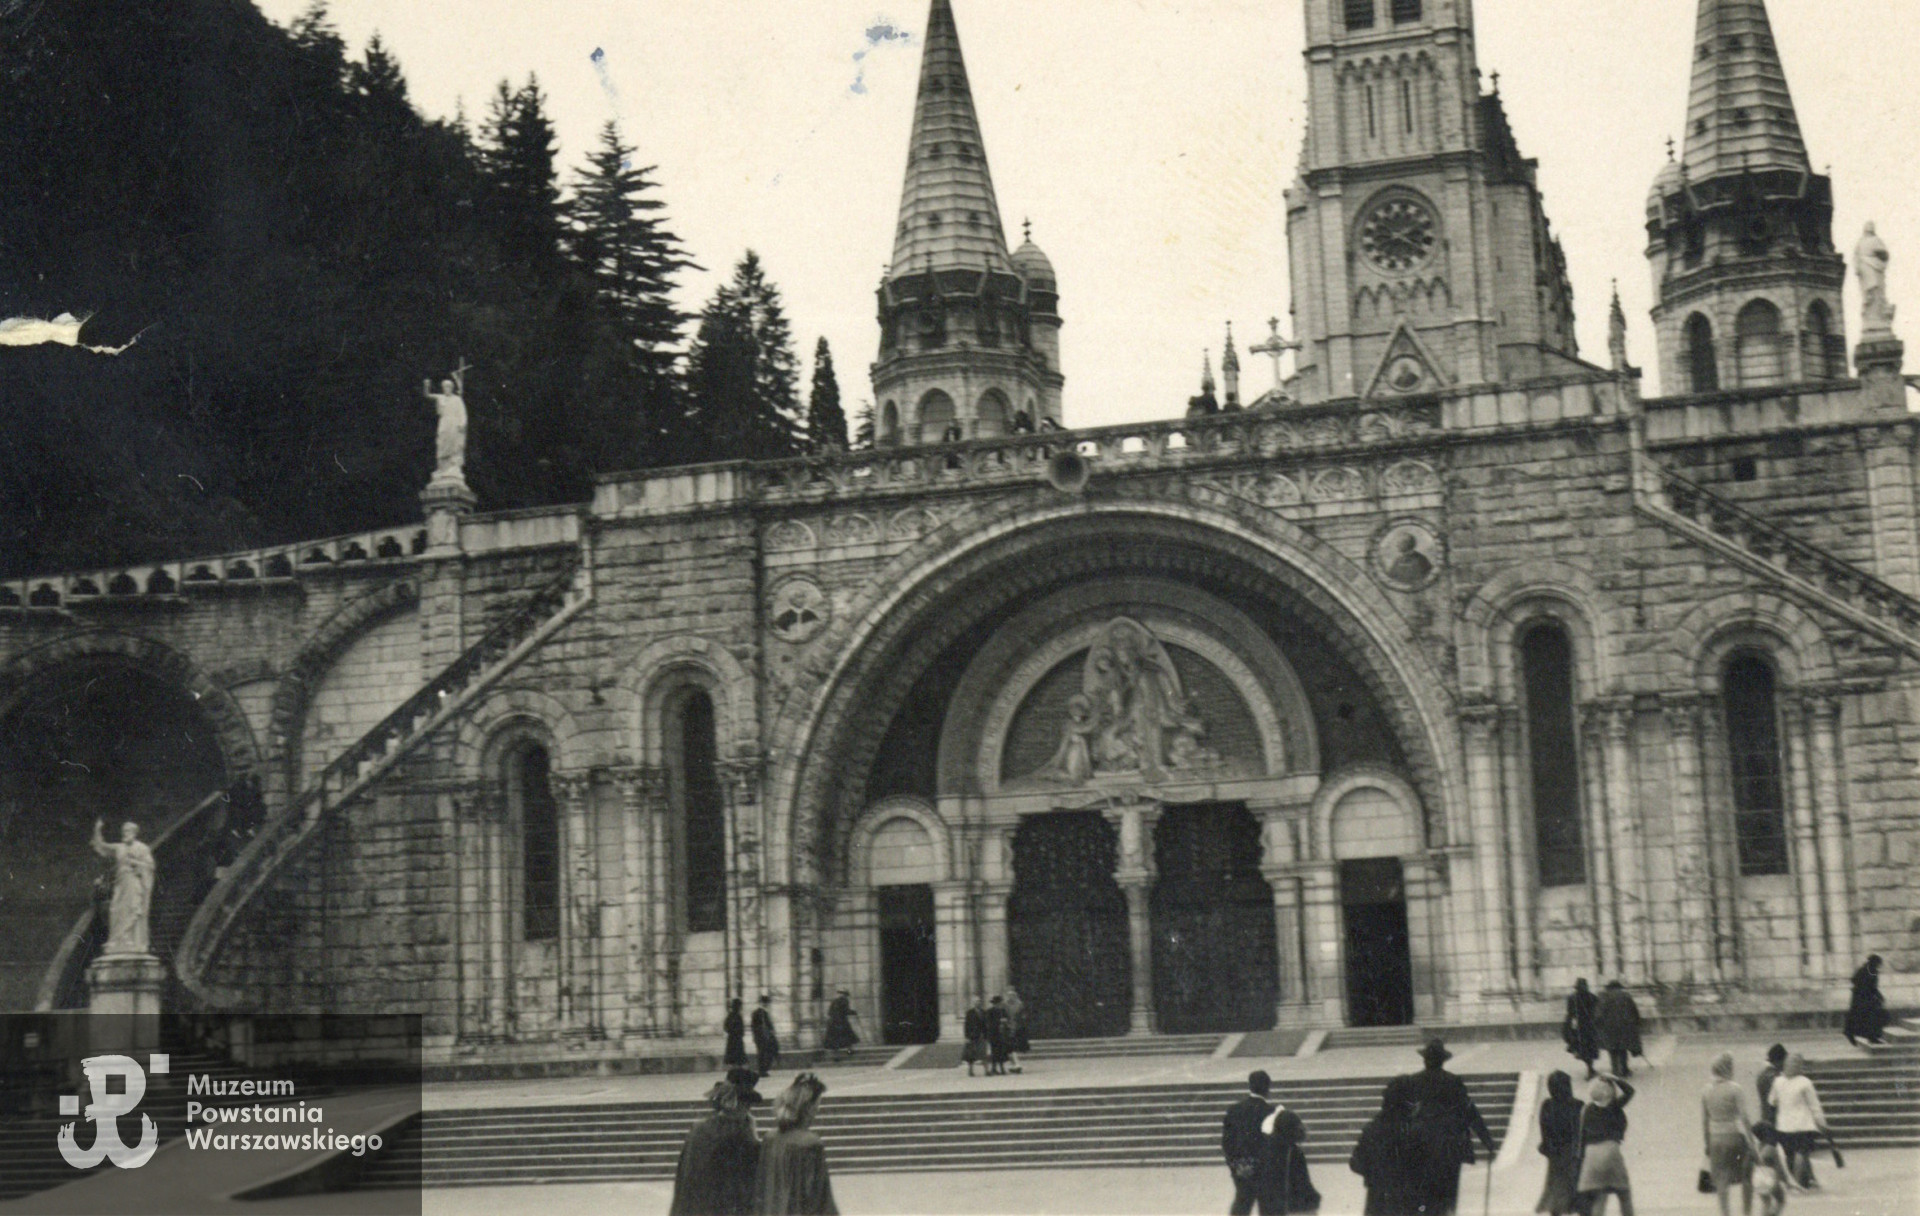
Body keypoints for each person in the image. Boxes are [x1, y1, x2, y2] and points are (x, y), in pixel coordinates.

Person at [1400, 1039, 1496, 1215]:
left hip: (1420, 1146)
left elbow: (1401, 1115)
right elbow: (1470, 1112)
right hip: (1449, 1147)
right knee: (1447, 1196)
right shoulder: (1453, 1081)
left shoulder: (1413, 1081)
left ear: (1425, 1060)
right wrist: (1487, 1140)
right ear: (1442, 1061)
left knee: (1422, 1195)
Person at [669, 1073, 761, 1216]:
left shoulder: (700, 1128)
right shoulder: (739, 1135)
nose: (748, 1109)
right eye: (747, 1104)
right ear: (739, 1104)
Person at [754, 1073, 838, 1215]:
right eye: (817, 1104)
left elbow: (760, 1189)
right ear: (808, 1108)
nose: (818, 1109)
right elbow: (819, 1196)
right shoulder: (810, 1143)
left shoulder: (770, 1139)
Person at [1350, 1079, 1418, 1216]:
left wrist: (1374, 1175)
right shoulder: (1414, 1130)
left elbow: (1356, 1163)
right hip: (1408, 1201)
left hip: (1378, 1200)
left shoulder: (1373, 1128)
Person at [1702, 1051, 1756, 1216]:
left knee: (1721, 1179)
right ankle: (1747, 1212)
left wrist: (1707, 1143)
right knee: (1746, 1176)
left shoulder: (1706, 1090)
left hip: (1715, 1137)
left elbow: (1704, 1120)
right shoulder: (1735, 1089)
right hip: (1734, 1135)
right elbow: (1744, 1117)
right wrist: (1752, 1142)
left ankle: (1725, 1213)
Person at [90, 818, 154, 955]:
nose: (125, 833)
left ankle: (130, 939)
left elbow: (150, 866)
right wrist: (97, 829)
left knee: (132, 908)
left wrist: (135, 863)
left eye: (128, 831)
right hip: (121, 883)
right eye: (124, 831)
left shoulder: (142, 848)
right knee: (116, 909)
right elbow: (102, 846)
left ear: (134, 833)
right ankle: (118, 939)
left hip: (133, 882)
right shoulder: (119, 847)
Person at [1576, 1074, 1636, 1216]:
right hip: (1611, 1151)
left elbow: (1581, 1137)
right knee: (1624, 1193)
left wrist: (1580, 1160)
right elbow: (1630, 1092)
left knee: (1599, 1195)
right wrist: (1615, 1078)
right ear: (1609, 1091)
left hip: (1591, 1155)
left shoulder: (1587, 1110)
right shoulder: (1613, 1106)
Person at [1769, 1054, 1828, 1190]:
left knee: (1789, 1155)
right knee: (1802, 1153)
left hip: (1784, 1125)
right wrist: (1821, 1122)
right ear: (1800, 1066)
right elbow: (1814, 1105)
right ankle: (1800, 1181)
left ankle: (1801, 1180)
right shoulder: (1805, 1082)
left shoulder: (1777, 1082)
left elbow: (1772, 1101)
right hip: (1803, 1124)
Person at [1222, 1070, 1276, 1216]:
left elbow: (1227, 1142)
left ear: (1250, 1086)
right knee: (1268, 1208)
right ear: (1268, 1088)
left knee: (1241, 1204)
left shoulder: (1234, 1110)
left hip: (1241, 1167)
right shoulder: (1271, 1111)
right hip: (1265, 1169)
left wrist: (1234, 1165)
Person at [1258, 1092, 1320, 1215]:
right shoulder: (1294, 1152)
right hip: (1291, 1207)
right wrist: (1314, 1198)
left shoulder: (1267, 1148)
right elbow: (1302, 1183)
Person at [1534, 1071, 1584, 1216]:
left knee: (1556, 1189)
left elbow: (1544, 1128)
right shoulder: (1578, 1105)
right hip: (1573, 1152)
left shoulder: (1547, 1105)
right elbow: (1580, 1131)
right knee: (1576, 1189)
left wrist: (1547, 1147)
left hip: (1555, 1153)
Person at [1596, 981, 1643, 1078]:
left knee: (1612, 1049)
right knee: (1623, 1048)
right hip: (1624, 1026)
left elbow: (1599, 1014)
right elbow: (1634, 1010)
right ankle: (1624, 1069)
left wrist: (1598, 1024)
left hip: (1609, 1027)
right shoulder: (1626, 996)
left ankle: (1615, 1070)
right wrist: (1637, 1022)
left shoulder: (1604, 996)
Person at [1844, 955, 1890, 1047]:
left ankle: (1870, 1036)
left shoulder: (1871, 970)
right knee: (1867, 1016)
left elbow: (1872, 986)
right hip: (1862, 997)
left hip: (1866, 997)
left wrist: (1878, 995)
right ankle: (1870, 1037)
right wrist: (1864, 988)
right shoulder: (1865, 970)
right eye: (1877, 963)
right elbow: (1854, 980)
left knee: (1869, 1017)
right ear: (1873, 962)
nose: (1878, 965)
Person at [1748, 1123, 1793, 1216]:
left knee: (1766, 1203)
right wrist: (1786, 1181)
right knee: (1781, 1200)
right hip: (1770, 1178)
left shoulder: (1756, 1148)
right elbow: (1779, 1167)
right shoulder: (1771, 1149)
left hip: (1757, 1178)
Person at [1563, 978, 1601, 1079]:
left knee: (1582, 1048)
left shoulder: (1572, 998)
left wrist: (1568, 1025)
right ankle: (1590, 1068)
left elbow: (1570, 1013)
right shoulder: (1592, 997)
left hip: (1578, 1028)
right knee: (1590, 1048)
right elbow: (1597, 1011)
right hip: (1590, 1026)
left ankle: (1590, 1068)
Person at [822, 990, 859, 1060]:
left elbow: (829, 1012)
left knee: (835, 1039)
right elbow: (846, 1011)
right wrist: (854, 1012)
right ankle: (849, 1051)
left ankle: (836, 1056)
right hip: (842, 1022)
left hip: (833, 1023)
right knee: (848, 1036)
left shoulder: (834, 1001)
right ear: (845, 995)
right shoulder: (844, 1001)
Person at [1756, 1044, 1788, 1123]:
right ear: (1779, 1061)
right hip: (1775, 1120)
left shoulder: (1762, 1074)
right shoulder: (1775, 1077)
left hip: (1765, 1117)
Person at [752, 994, 782, 1078]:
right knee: (765, 1053)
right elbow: (768, 1025)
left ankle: (762, 1070)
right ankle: (763, 1070)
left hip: (760, 1036)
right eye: (766, 1003)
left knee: (761, 1053)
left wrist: (754, 1036)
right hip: (764, 1036)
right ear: (764, 1003)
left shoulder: (756, 1013)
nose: (767, 1004)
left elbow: (753, 1026)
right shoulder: (762, 1013)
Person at [962, 995, 989, 1077]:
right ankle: (970, 1071)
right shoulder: (969, 1013)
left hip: (982, 1035)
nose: (978, 1003)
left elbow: (986, 1024)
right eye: (976, 1001)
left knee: (983, 1054)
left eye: (979, 1001)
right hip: (972, 1036)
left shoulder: (984, 1012)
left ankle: (987, 1071)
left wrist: (986, 1035)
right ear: (973, 1003)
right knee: (971, 1055)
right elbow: (966, 1025)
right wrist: (966, 1037)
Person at [1004, 985, 1029, 1073]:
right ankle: (1014, 1065)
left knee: (1013, 1047)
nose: (1010, 996)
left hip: (1016, 1028)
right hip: (1007, 1028)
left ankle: (1016, 1064)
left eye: (1012, 995)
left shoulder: (1019, 1004)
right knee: (1009, 1048)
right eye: (1009, 995)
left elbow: (1023, 1015)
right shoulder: (1005, 1005)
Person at [985, 995, 1012, 1076]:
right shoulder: (990, 1011)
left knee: (1002, 1051)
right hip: (993, 1034)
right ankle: (994, 1068)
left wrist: (1005, 1022)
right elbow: (988, 1023)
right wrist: (998, 1022)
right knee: (994, 1051)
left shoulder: (1003, 1011)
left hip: (1002, 1034)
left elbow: (1008, 1019)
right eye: (998, 1003)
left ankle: (1002, 1068)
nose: (999, 1004)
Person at [724, 998, 749, 1071]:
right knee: (739, 1057)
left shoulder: (730, 1015)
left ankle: (735, 1070)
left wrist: (731, 1032)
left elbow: (725, 1027)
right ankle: (738, 1071)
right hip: (737, 1039)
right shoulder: (738, 1016)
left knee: (733, 1057)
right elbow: (741, 1028)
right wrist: (738, 1033)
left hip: (732, 1039)